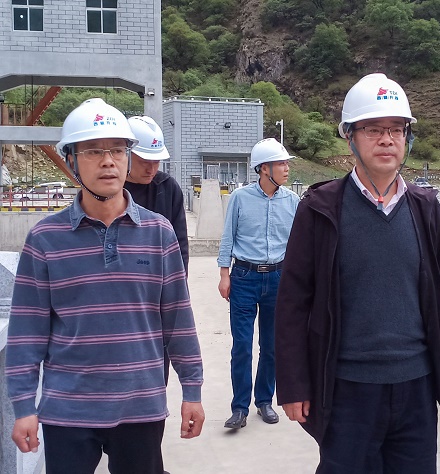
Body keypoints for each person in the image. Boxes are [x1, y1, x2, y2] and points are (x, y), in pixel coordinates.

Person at [274, 73, 440, 473]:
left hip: (416, 385)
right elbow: (293, 302)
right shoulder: (321, 208)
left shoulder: (424, 207)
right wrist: (293, 383)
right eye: (373, 129)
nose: (386, 139)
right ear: (350, 137)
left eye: (396, 129)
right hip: (347, 388)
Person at [5, 98, 205, 474]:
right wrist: (23, 405)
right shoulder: (45, 239)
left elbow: (178, 320)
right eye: (94, 151)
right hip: (67, 410)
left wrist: (191, 389)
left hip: (141, 406)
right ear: (71, 161)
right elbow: (27, 332)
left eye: (117, 150)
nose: (108, 161)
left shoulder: (159, 233)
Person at [217, 137, 300, 430]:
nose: (287, 168)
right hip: (244, 277)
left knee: (272, 345)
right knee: (242, 345)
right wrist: (224, 274)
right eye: (281, 163)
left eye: (287, 163)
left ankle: (264, 401)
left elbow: (299, 244)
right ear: (264, 168)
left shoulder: (293, 202)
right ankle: (239, 407)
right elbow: (228, 237)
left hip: (279, 279)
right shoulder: (240, 198)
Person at [124, 115, 189, 274]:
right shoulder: (110, 189)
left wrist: (180, 280)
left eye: (156, 162)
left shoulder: (167, 187)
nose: (151, 170)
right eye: (145, 162)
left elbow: (180, 242)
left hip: (160, 274)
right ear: (125, 154)